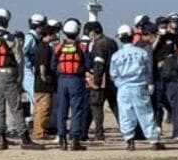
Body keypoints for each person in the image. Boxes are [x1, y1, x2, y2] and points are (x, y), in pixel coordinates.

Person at [0, 8, 44, 150]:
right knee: (16, 108)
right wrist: (19, 79)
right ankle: (24, 138)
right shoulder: (11, 38)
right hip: (8, 75)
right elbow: (19, 60)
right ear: (7, 21)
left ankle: (1, 138)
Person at [109, 24, 165, 151]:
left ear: (120, 39)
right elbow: (148, 70)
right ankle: (154, 140)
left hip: (123, 88)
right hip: (139, 86)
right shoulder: (142, 53)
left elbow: (113, 75)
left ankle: (129, 140)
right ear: (132, 36)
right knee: (146, 113)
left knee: (125, 114)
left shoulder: (116, 56)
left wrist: (120, 84)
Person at [51, 19, 92, 151]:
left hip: (62, 81)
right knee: (77, 110)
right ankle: (75, 139)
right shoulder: (82, 47)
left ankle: (62, 139)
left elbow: (52, 65)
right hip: (77, 80)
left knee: (62, 110)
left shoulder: (58, 47)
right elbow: (89, 65)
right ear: (77, 32)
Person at [85, 21, 120, 141]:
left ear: (93, 32)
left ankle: (99, 133)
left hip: (102, 80)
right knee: (116, 106)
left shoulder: (98, 44)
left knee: (96, 106)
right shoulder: (112, 42)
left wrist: (96, 81)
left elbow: (99, 64)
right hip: (113, 79)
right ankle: (127, 131)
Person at [154, 14, 178, 140]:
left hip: (174, 74)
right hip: (160, 73)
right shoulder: (161, 37)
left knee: (177, 104)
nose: (175, 24)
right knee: (158, 103)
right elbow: (152, 51)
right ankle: (157, 129)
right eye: (173, 21)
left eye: (177, 21)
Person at [32, 22, 58, 139]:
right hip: (43, 84)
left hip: (38, 83)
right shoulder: (45, 48)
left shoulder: (40, 46)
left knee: (39, 109)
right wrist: (44, 77)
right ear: (49, 34)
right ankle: (40, 132)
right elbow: (43, 64)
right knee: (43, 109)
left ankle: (39, 130)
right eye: (54, 33)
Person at [22, 14, 47, 128]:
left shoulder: (36, 37)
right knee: (34, 95)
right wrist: (27, 64)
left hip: (31, 70)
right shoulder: (30, 37)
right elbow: (23, 52)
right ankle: (32, 119)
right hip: (27, 71)